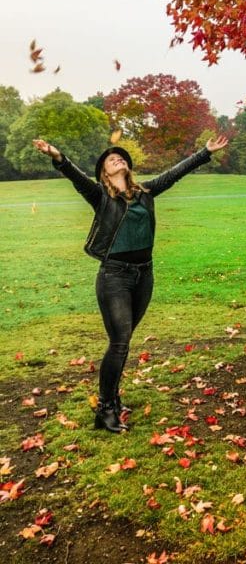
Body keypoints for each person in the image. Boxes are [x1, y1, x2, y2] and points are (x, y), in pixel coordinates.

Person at [32, 134, 229, 433]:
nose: (118, 158)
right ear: (104, 173)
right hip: (115, 276)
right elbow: (74, 176)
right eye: (112, 159)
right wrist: (57, 156)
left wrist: (205, 152)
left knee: (122, 344)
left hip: (143, 275)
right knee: (119, 343)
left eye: (121, 157)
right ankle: (105, 409)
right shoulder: (99, 195)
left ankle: (113, 398)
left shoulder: (144, 192)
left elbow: (175, 174)